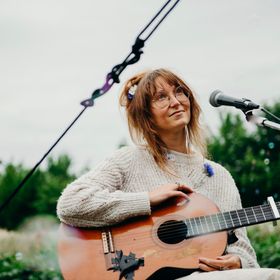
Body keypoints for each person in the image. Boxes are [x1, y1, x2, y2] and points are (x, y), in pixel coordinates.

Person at [57, 68, 280, 280]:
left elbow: (242, 247)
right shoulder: (129, 160)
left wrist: (239, 261)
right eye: (161, 97)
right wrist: (146, 200)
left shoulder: (219, 177)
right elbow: (70, 203)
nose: (175, 101)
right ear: (146, 116)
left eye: (179, 91)